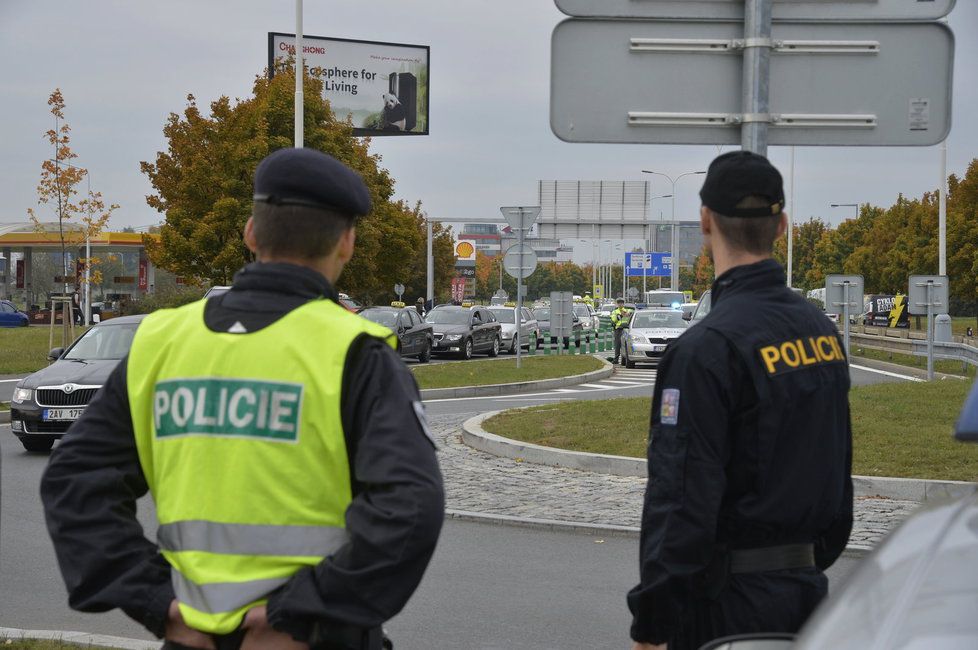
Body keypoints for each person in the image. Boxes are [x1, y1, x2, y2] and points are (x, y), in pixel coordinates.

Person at [41, 148, 445, 650]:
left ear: (252, 233)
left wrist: (153, 601)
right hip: (312, 638)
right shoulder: (355, 354)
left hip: (191, 635)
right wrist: (300, 614)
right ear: (347, 243)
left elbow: (74, 480)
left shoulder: (162, 341)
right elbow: (410, 507)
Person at [627, 151, 852, 650]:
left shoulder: (704, 350)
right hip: (808, 599)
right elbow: (839, 474)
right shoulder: (821, 332)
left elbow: (682, 496)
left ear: (706, 224)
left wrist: (653, 622)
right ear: (782, 225)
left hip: (725, 612)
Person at [610, 298, 630, 364]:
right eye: (619, 303)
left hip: (626, 329)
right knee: (617, 345)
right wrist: (621, 315)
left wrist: (627, 314)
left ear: (623, 304)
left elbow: (631, 317)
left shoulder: (627, 311)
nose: (620, 304)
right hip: (618, 330)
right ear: (617, 304)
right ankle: (616, 359)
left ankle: (624, 360)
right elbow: (614, 320)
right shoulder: (615, 312)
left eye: (621, 303)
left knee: (625, 345)